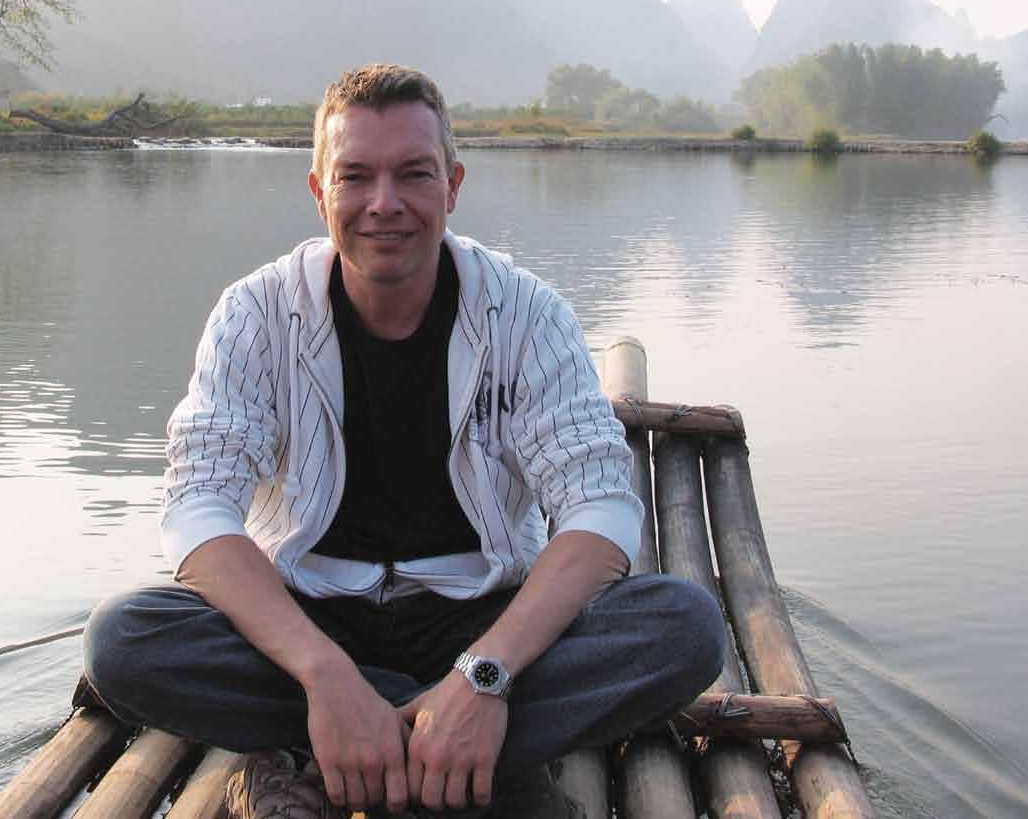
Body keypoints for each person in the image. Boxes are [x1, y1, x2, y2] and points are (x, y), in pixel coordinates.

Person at [84, 65, 725, 818]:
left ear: (452, 185)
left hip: (483, 618)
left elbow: (601, 507)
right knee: (124, 640)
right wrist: (325, 675)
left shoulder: (526, 315)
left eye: (413, 174)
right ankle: (453, 757)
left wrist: (484, 676)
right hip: (305, 618)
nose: (384, 203)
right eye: (355, 176)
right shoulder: (257, 315)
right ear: (320, 191)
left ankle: (350, 752)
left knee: (685, 627)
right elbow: (197, 507)